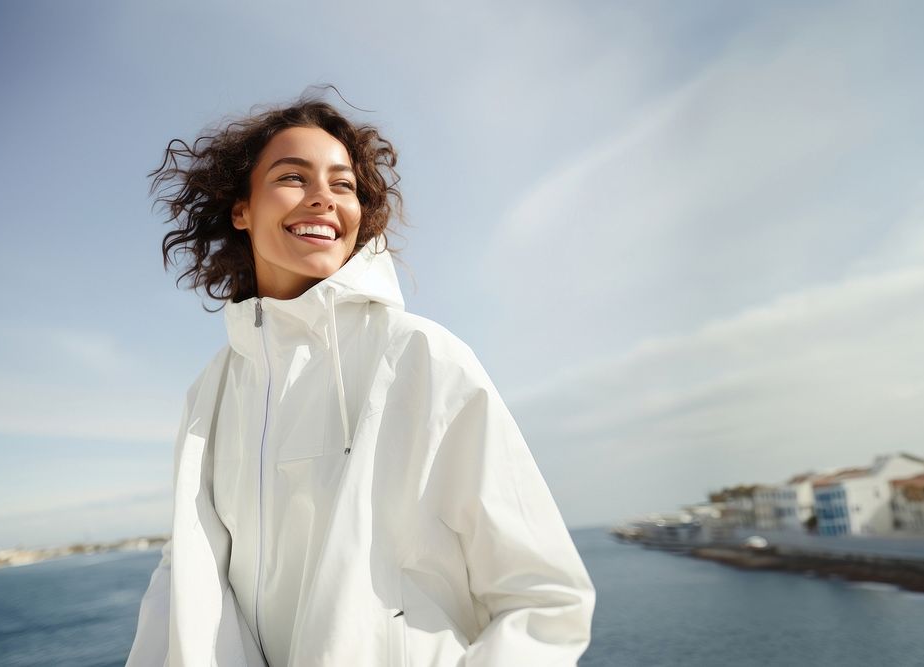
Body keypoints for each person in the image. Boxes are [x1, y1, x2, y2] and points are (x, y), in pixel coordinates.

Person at [126, 92, 595, 667]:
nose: (323, 197)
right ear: (241, 208)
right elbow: (183, 582)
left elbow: (543, 600)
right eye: (292, 176)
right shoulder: (213, 391)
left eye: (343, 184)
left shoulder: (419, 354)